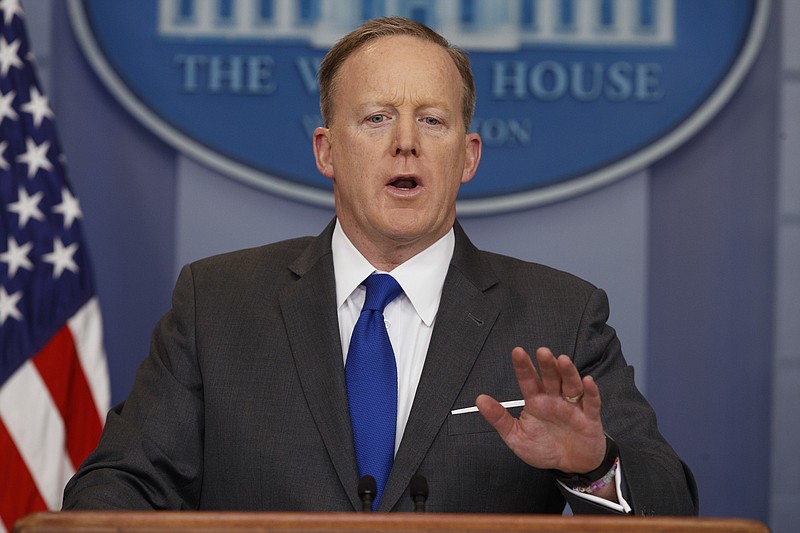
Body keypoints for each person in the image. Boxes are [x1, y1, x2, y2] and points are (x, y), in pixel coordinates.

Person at [63, 17, 697, 515]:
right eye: (375, 118)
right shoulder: (218, 303)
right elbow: (115, 490)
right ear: (326, 150)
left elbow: (672, 504)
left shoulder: (560, 315)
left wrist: (593, 467)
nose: (406, 142)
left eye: (432, 120)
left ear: (468, 156)